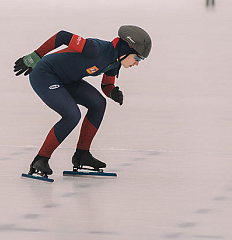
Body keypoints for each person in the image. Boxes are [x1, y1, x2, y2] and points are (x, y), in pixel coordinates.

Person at [13, 25, 152, 178]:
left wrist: (112, 92)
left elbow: (106, 85)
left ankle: (82, 155)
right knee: (72, 115)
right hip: (44, 74)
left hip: (67, 80)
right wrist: (35, 56)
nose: (137, 63)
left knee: (98, 104)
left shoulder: (115, 61)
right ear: (127, 50)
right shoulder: (95, 49)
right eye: (138, 58)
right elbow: (62, 36)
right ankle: (41, 159)